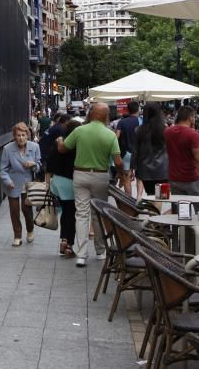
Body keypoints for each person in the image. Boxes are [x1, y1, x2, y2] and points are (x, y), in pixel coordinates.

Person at [57, 102, 123, 267]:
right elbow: (117, 161)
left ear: (91, 114)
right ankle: (100, 251)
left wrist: (59, 141)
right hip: (101, 176)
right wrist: (122, 172)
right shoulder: (110, 135)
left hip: (80, 174)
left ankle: (81, 254)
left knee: (81, 213)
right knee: (99, 213)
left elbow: (63, 149)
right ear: (106, 116)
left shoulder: (80, 130)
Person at [0, 122, 41, 245]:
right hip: (13, 183)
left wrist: (33, 164)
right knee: (14, 210)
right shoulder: (8, 149)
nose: (21, 138)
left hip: (28, 184)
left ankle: (30, 230)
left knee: (26, 209)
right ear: (14, 136)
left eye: (23, 135)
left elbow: (39, 167)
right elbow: (3, 169)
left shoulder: (35, 147)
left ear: (27, 135)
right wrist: (7, 180)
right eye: (18, 135)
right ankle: (17, 236)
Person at [48, 118, 81, 259]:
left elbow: (49, 165)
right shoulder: (75, 146)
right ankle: (68, 244)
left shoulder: (58, 143)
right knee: (71, 214)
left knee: (66, 213)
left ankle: (64, 240)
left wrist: (47, 184)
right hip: (69, 183)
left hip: (57, 182)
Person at [164, 105, 199, 196]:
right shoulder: (193, 134)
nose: (194, 119)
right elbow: (198, 159)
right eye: (194, 117)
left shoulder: (167, 132)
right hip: (191, 178)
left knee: (179, 207)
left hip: (174, 177)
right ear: (190, 117)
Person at [132, 102, 168, 197]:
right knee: (160, 196)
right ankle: (156, 211)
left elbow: (135, 151)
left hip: (145, 170)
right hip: (162, 170)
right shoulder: (165, 130)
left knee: (151, 195)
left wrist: (132, 168)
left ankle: (152, 211)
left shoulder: (139, 130)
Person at [116, 101, 141, 196]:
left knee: (127, 178)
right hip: (140, 154)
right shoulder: (141, 121)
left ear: (128, 110)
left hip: (126, 154)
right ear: (138, 109)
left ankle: (129, 201)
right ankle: (138, 198)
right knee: (140, 178)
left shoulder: (121, 122)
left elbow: (116, 137)